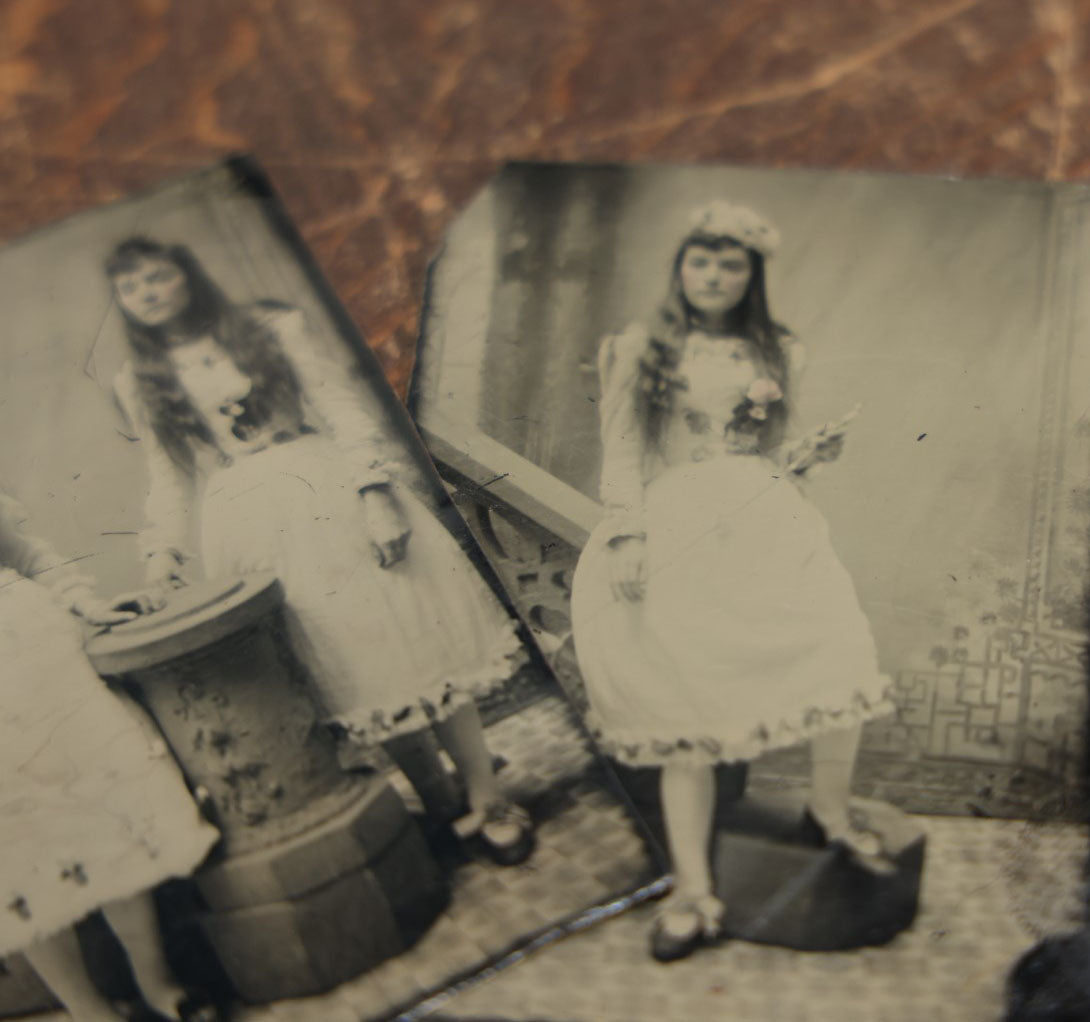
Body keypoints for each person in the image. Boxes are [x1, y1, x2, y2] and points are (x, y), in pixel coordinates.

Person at [106, 237, 533, 865]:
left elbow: (341, 407)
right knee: (355, 662)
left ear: (185, 275)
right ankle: (439, 800)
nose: (147, 293)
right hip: (248, 520)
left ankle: (488, 795)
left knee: (416, 637)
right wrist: (161, 560)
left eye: (157, 277)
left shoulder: (266, 327)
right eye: (131, 286)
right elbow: (167, 477)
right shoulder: (137, 381)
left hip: (323, 484)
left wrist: (375, 494)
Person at [570, 201, 895, 961]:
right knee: (689, 706)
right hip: (677, 522)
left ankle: (830, 810)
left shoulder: (776, 348)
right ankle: (693, 891)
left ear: (751, 276)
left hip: (764, 516)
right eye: (701, 260)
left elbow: (768, 448)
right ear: (681, 268)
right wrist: (628, 536)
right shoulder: (640, 345)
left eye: (730, 264)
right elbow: (622, 452)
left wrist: (811, 455)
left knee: (838, 651)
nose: (713, 276)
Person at [0, 488, 221, 1020]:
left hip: (30, 653)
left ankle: (157, 985)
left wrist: (87, 603)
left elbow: (24, 552)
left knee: (100, 814)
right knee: (14, 856)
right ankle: (87, 1010)